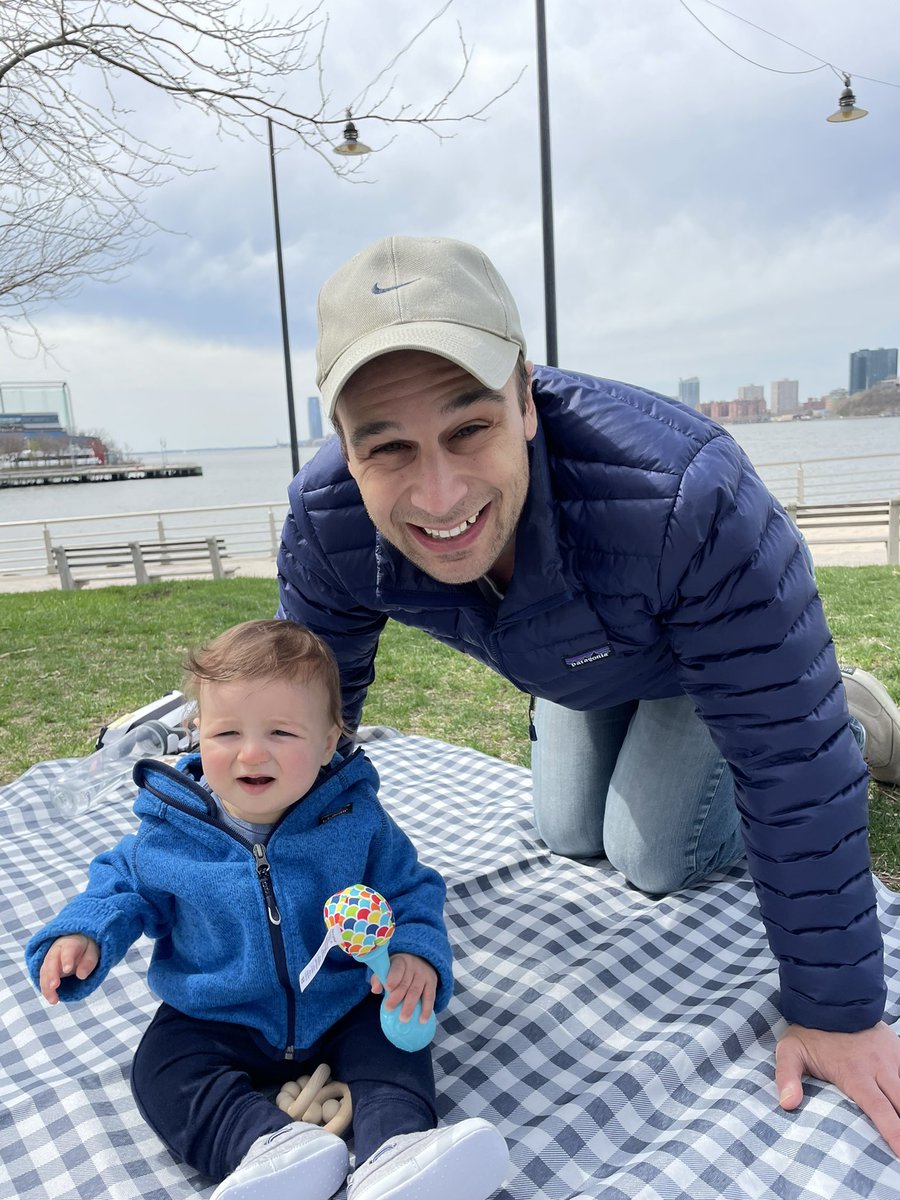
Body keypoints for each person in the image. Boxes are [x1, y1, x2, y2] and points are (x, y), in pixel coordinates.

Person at [276, 233, 900, 1156]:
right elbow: (304, 730)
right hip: (574, 652)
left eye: (469, 429)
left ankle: (847, 709)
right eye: (388, 447)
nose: (439, 495)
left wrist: (835, 1010)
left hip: (699, 659)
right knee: (568, 831)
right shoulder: (327, 523)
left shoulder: (686, 495)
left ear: (525, 397)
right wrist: (272, 914)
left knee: (649, 855)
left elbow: (789, 762)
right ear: (344, 448)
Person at [26, 619, 510, 1200]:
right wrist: (85, 934)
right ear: (197, 735)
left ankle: (398, 1151)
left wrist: (414, 952)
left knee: (394, 1048)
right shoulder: (173, 830)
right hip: (217, 1013)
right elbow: (122, 887)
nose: (252, 752)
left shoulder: (354, 820)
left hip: (342, 1001)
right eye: (227, 732)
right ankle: (267, 1149)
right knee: (161, 1068)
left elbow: (411, 890)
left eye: (281, 731)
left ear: (328, 742)